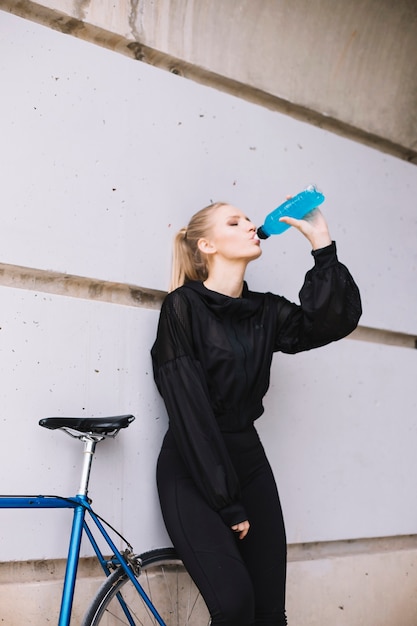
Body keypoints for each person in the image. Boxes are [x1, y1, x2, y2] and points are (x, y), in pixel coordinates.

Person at [151, 200, 362, 626]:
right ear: (207, 245)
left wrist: (322, 244)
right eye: (235, 221)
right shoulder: (182, 307)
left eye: (248, 219)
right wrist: (227, 502)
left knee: (268, 614)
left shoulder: (265, 311)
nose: (250, 225)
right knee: (234, 606)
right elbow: (190, 411)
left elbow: (330, 322)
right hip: (193, 467)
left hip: (248, 461)